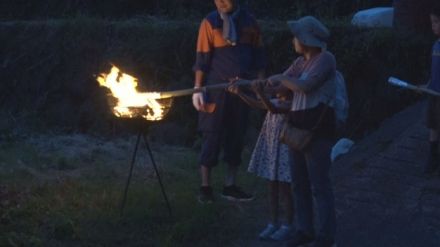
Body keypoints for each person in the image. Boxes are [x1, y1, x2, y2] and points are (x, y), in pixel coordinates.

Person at [267, 16, 337, 247]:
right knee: (299, 183)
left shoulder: (326, 59)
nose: (294, 40)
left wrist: (281, 79)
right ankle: (304, 230)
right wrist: (261, 85)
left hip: (317, 131)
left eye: (297, 36)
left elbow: (305, 87)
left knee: (319, 185)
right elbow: (282, 90)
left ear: (306, 39)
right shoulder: (299, 63)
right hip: (297, 128)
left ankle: (325, 236)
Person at [192, 0, 266, 203]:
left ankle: (230, 185)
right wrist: (198, 88)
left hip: (243, 90)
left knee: (236, 136)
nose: (222, 2)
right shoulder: (210, 22)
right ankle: (205, 187)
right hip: (216, 91)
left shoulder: (250, 22)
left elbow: (259, 55)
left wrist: (259, 81)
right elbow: (202, 58)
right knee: (211, 136)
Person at [228, 81, 294, 241]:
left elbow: (272, 108)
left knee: (285, 189)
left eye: (280, 85)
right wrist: (240, 93)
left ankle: (288, 225)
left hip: (284, 150)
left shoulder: (292, 104)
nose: (277, 87)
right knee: (271, 187)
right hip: (272, 148)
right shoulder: (274, 100)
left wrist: (261, 92)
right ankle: (273, 222)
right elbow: (257, 103)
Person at [422, 5, 440, 174]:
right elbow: (434, 71)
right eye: (432, 22)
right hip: (433, 93)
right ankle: (432, 156)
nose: (433, 25)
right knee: (433, 124)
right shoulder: (435, 45)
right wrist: (427, 85)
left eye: (436, 22)